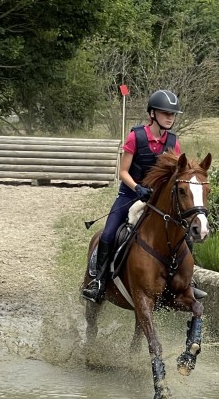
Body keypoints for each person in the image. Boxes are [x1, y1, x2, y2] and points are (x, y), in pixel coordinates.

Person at [82, 90, 207, 303]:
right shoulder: (136, 136)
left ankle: (187, 283)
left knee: (184, 235)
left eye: (173, 114)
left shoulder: (173, 141)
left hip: (157, 201)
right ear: (152, 114)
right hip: (130, 195)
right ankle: (98, 281)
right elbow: (122, 171)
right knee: (109, 234)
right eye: (165, 113)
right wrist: (137, 187)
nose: (170, 117)